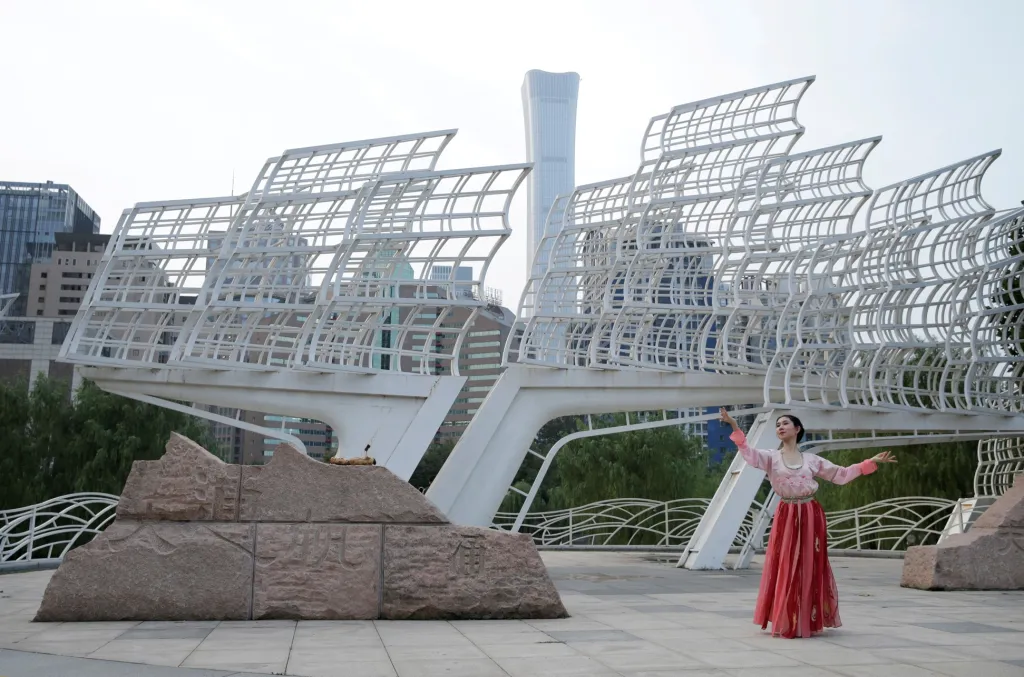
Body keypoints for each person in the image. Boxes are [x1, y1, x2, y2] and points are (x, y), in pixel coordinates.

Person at [718, 408, 897, 639]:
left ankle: (806, 619)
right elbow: (748, 453)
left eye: (785, 423)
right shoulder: (771, 457)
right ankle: (785, 616)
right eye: (778, 425)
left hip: (811, 512)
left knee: (809, 564)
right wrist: (734, 425)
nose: (780, 427)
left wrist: (868, 463)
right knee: (785, 563)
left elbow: (841, 475)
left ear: (797, 429)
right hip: (787, 512)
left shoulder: (812, 460)